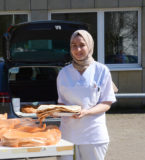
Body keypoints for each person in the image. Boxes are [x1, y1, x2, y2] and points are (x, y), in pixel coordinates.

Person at [57, 30, 116, 160]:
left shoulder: (101, 70)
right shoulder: (63, 73)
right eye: (74, 45)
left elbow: (106, 103)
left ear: (89, 46)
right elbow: (61, 102)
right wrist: (55, 111)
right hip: (67, 135)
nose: (78, 49)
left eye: (82, 45)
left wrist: (86, 112)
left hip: (93, 136)